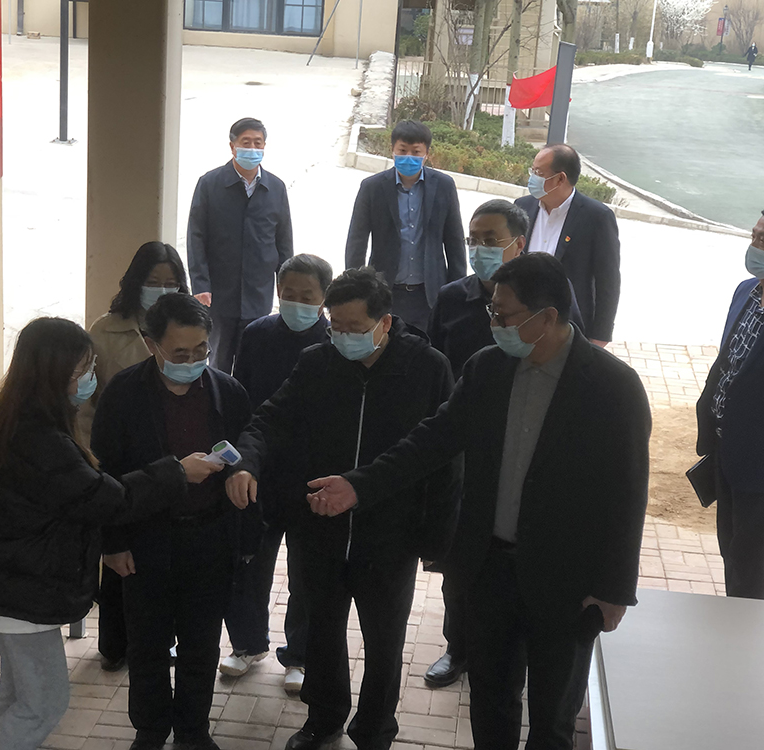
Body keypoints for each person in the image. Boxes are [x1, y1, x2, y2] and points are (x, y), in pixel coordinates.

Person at [308, 253, 651, 750]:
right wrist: (360, 485)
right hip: (488, 570)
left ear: (546, 317)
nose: (493, 324)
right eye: (492, 311)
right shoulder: (488, 368)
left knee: (553, 719)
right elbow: (432, 440)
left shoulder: (613, 387)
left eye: (503, 315)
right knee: (491, 703)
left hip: (567, 582)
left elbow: (627, 494)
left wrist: (614, 589)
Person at [0, 317, 220, 750]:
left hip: (2, 583)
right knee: (44, 703)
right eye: (83, 369)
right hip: (19, 593)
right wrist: (176, 472)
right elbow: (107, 500)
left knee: (20, 695)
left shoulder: (16, 418)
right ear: (54, 374)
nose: (90, 378)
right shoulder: (40, 440)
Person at [227, 268, 460, 750]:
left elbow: (444, 458)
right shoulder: (317, 362)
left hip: (389, 536)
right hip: (319, 528)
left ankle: (375, 730)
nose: (343, 337)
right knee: (322, 632)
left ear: (385, 323)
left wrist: (436, 537)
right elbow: (270, 419)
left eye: (355, 328)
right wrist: (246, 461)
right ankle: (324, 718)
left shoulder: (427, 368)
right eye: (335, 326)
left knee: (384, 641)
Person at [424, 200, 587, 690]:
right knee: (461, 555)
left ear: (518, 243)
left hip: (521, 453)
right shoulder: (454, 303)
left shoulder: (551, 300)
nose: (479, 249)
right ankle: (458, 647)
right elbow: (434, 374)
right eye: (472, 239)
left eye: (489, 240)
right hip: (462, 451)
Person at [92, 294, 254, 750]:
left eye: (201, 349)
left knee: (201, 645)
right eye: (180, 353)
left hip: (210, 537)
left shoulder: (228, 392)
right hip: (145, 539)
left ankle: (192, 731)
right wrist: (112, 543)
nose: (193, 361)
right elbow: (106, 476)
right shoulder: (124, 394)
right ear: (151, 345)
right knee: (146, 645)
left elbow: (248, 451)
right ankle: (149, 730)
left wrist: (243, 498)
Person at [219, 254, 333, 694]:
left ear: (324, 297)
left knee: (306, 571)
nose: (296, 303)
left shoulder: (334, 342)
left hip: (311, 478)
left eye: (307, 296)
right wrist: (240, 461)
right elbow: (242, 398)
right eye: (288, 294)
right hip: (259, 472)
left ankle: (299, 655)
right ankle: (248, 644)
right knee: (249, 564)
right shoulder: (256, 334)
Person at [76, 240, 189, 672]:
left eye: (170, 282)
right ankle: (114, 644)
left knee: (164, 556)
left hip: (171, 460)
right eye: (153, 281)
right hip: (119, 456)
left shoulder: (186, 324)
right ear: (135, 282)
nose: (161, 289)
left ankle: (164, 638)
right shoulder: (105, 331)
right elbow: (87, 403)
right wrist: (90, 454)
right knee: (119, 553)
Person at [187, 117, 294, 373]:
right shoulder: (209, 184)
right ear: (232, 146)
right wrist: (201, 285)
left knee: (254, 361)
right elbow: (196, 237)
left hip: (259, 292)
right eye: (246, 142)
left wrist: (287, 285)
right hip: (220, 293)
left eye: (258, 143)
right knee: (218, 360)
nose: (252, 148)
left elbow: (284, 241)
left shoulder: (276, 188)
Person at [696, 211, 764, 599]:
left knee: (752, 573)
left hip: (760, 471)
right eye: (753, 236)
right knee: (732, 556)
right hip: (726, 454)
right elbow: (727, 364)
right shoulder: (746, 291)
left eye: (762, 241)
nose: (754, 247)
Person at [345, 120, 466, 332]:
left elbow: (455, 241)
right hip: (385, 290)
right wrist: (355, 288)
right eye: (402, 150)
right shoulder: (372, 187)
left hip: (429, 293)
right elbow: (357, 239)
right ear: (392, 150)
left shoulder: (444, 186)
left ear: (427, 154)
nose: (409, 157)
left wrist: (457, 289)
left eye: (416, 152)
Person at [514, 144, 621, 347]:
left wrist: (600, 335)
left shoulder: (596, 217)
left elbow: (608, 280)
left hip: (570, 328)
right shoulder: (523, 206)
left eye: (538, 173)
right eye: (532, 170)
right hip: (523, 322)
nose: (532, 177)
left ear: (560, 179)